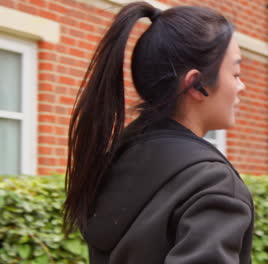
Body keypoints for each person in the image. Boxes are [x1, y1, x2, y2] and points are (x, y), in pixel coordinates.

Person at [62, 2, 253, 263]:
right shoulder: (212, 183)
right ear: (196, 85)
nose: (241, 86)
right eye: (236, 73)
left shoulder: (114, 160)